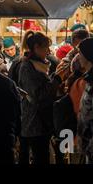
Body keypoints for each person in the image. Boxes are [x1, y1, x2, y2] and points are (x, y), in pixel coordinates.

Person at [18, 31, 64, 165]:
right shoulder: (27, 67)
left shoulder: (41, 64)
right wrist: (56, 79)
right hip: (34, 122)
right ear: (37, 47)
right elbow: (38, 95)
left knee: (43, 155)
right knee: (40, 157)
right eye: (46, 47)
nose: (48, 51)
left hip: (43, 121)